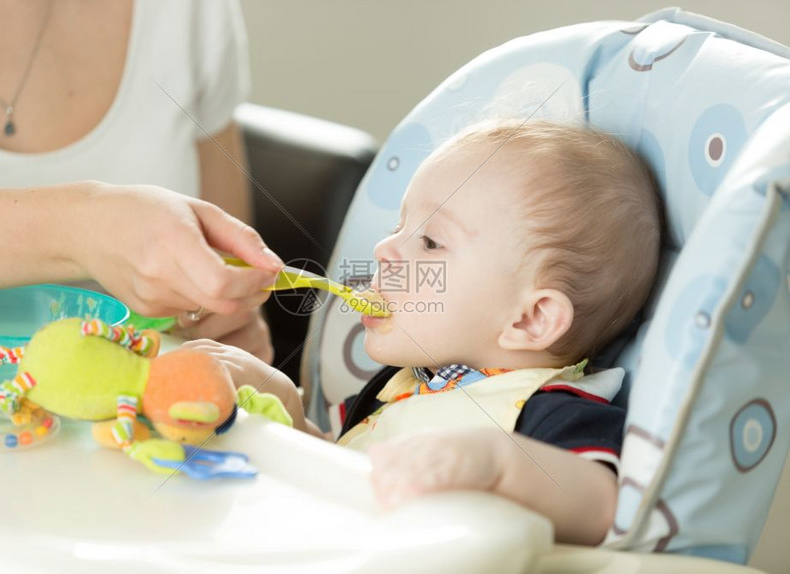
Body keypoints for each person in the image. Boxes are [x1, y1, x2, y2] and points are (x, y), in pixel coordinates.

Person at [193, 118, 662, 546]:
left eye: (431, 241)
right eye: (399, 226)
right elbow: (347, 477)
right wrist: (288, 408)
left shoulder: (552, 413)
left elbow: (606, 508)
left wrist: (497, 462)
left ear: (531, 319)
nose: (382, 249)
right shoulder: (399, 387)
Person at [0, 0, 275, 360]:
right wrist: (82, 225)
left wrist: (228, 328)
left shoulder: (189, 10)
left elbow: (230, 283)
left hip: (138, 408)